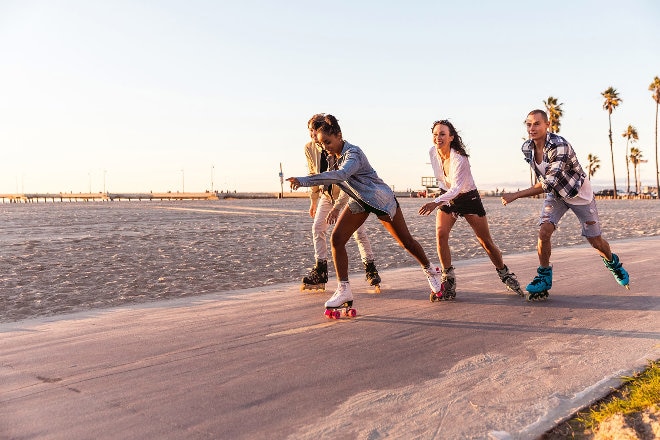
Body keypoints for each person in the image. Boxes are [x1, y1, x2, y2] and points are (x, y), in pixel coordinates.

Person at [287, 114, 444, 310]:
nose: (325, 146)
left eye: (328, 142)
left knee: (406, 242)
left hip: (381, 200)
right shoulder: (331, 156)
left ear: (339, 135)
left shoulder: (353, 154)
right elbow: (342, 182)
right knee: (337, 238)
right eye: (322, 144)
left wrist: (303, 181)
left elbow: (341, 175)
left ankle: (431, 271)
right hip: (359, 201)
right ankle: (344, 289)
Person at [501, 109, 630, 299]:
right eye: (528, 124)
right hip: (556, 196)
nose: (532, 128)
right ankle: (544, 276)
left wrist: (516, 194)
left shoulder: (558, 145)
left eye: (537, 123)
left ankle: (613, 263)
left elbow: (549, 181)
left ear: (547, 125)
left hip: (579, 194)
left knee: (595, 241)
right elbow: (547, 181)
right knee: (544, 231)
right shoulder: (527, 148)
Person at [418, 120, 523, 300]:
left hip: (467, 197)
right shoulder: (432, 152)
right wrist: (439, 200)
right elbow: (445, 184)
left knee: (485, 242)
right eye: (435, 134)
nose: (438, 138)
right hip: (447, 196)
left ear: (451, 137)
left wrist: (435, 202)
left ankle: (504, 273)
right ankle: (448, 279)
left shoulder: (460, 158)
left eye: (442, 134)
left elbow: (457, 189)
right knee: (441, 234)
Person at [300, 113, 381, 292]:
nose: (313, 134)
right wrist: (313, 201)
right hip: (326, 195)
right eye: (310, 131)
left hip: (348, 194)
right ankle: (320, 270)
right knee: (317, 229)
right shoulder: (309, 148)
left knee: (358, 233)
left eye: (315, 130)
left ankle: (370, 268)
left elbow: (344, 177)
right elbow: (313, 174)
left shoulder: (337, 146)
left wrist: (338, 207)